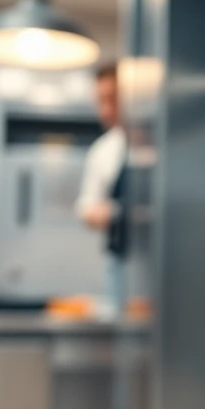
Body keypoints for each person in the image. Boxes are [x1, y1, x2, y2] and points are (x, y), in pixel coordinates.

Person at [76, 61, 132, 317]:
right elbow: (86, 207)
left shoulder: (157, 141)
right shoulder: (103, 150)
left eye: (113, 99)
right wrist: (113, 213)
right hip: (120, 262)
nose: (107, 109)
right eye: (101, 101)